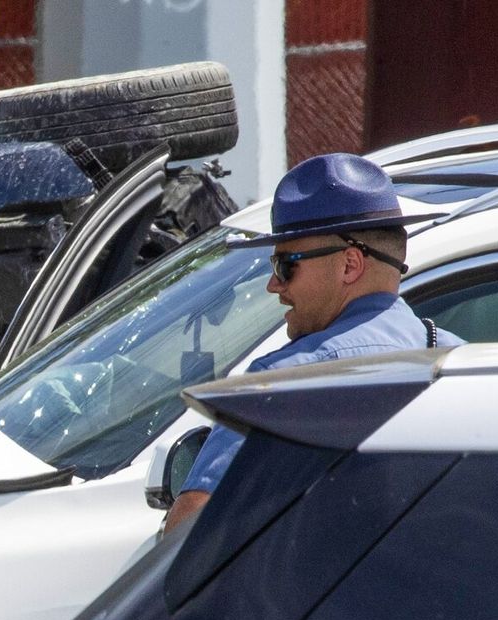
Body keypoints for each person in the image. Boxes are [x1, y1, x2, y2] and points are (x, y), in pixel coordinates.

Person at [165, 153, 461, 530]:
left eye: (286, 265)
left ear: (350, 265)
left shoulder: (280, 382)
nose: (274, 285)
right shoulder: (462, 362)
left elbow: (188, 533)